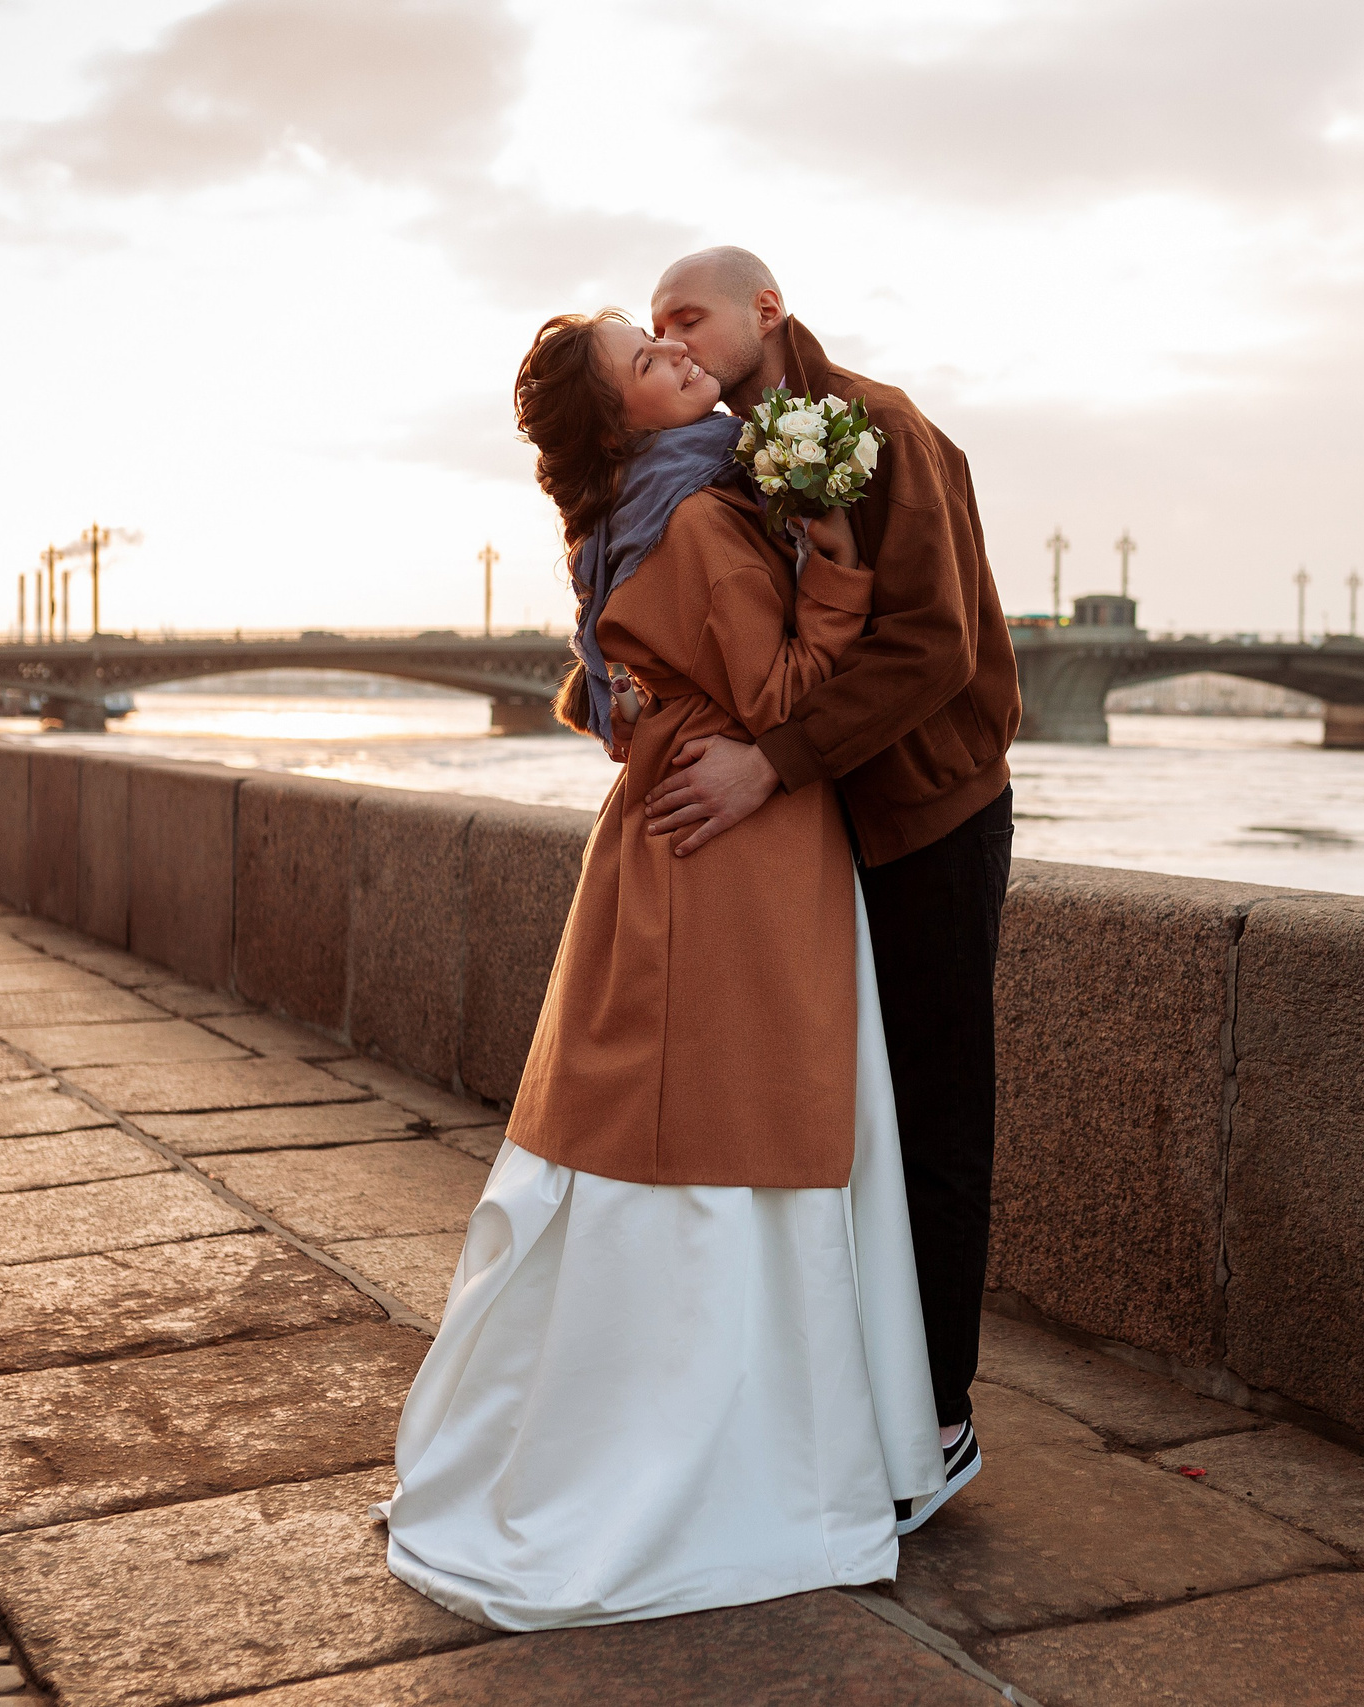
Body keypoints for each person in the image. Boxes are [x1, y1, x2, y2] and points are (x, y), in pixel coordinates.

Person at [375, 308, 943, 1630]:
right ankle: (728, 1471)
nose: (685, 362)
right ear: (630, 414)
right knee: (737, 1132)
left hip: (672, 835)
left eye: (674, 345)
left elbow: (636, 693)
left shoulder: (643, 514)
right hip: (741, 846)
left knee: (653, 1140)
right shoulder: (698, 520)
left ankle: (622, 1435)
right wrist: (841, 555)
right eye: (652, 361)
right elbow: (789, 690)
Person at [644, 248, 1019, 1528]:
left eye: (688, 315)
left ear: (768, 310)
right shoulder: (729, 455)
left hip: (925, 816)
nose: (674, 340)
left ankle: (943, 1417)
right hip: (816, 834)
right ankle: (854, 1394)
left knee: (932, 1111)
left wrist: (769, 766)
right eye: (654, 331)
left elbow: (934, 646)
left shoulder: (884, 428)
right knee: (841, 1120)